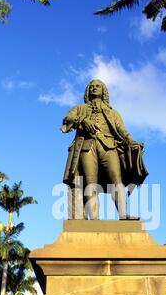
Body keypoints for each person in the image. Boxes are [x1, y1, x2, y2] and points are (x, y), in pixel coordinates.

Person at [61, 79, 148, 219]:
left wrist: (132, 142)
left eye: (98, 86)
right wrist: (82, 121)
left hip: (109, 146)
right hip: (86, 147)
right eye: (92, 86)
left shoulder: (112, 112)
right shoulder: (80, 108)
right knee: (90, 182)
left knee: (116, 179)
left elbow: (122, 130)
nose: (94, 88)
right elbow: (67, 119)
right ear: (88, 91)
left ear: (103, 91)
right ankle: (94, 218)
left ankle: (123, 214)